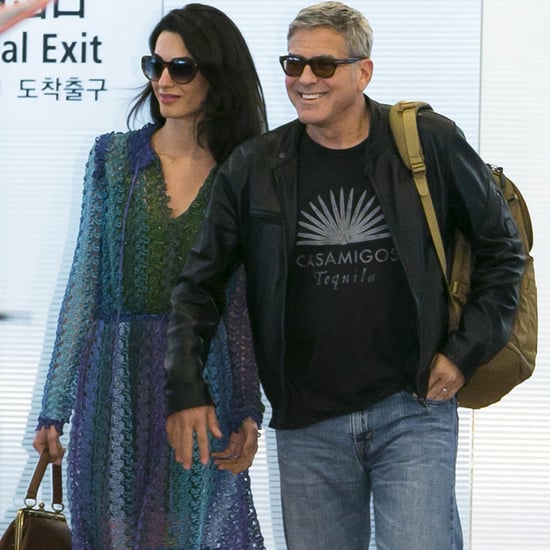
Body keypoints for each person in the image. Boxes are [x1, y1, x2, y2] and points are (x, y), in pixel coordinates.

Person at [165, 1, 525, 549]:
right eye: (293, 64)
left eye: (324, 66)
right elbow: (200, 286)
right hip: (307, 419)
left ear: (363, 71)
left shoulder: (427, 142)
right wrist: (187, 385)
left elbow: (503, 249)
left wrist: (465, 349)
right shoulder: (257, 166)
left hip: (412, 405)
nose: (305, 79)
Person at [32, 4, 267, 549]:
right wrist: (55, 406)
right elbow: (85, 282)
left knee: (182, 538)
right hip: (112, 384)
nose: (163, 80)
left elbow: (239, 305)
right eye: (154, 66)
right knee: (106, 534)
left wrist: (248, 408)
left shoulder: (243, 173)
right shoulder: (113, 158)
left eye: (181, 68)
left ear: (217, 73)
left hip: (204, 387)